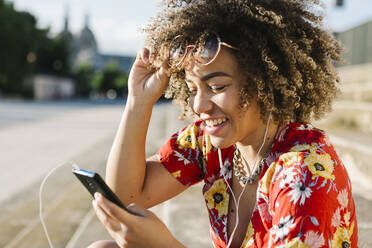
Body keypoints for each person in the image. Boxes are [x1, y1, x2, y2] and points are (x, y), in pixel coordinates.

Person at [89, 0, 358, 247]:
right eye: (193, 89)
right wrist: (138, 101)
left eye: (217, 86)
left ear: (264, 82)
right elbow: (125, 200)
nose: (199, 106)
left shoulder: (306, 174)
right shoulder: (212, 144)